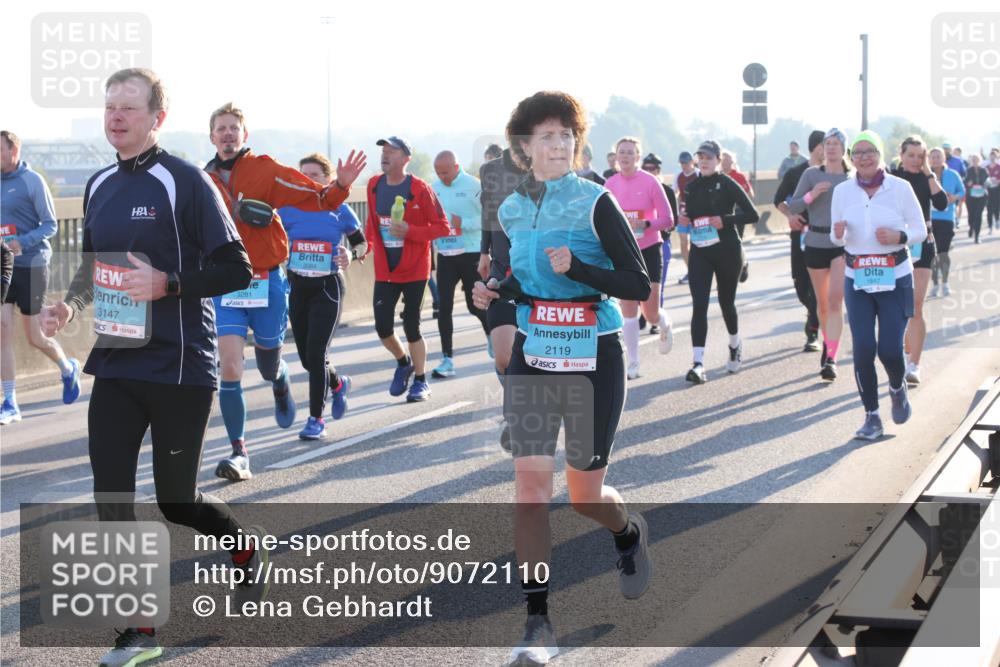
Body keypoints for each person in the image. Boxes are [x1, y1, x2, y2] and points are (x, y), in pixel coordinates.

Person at [38, 67, 267, 667]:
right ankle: (139, 629)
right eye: (109, 107)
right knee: (111, 492)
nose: (116, 117)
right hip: (117, 362)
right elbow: (95, 266)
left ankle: (242, 545)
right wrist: (71, 304)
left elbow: (236, 268)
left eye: (129, 108)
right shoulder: (99, 184)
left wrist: (168, 284)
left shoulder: (184, 181)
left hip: (181, 365)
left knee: (175, 502)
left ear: (157, 118)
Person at [472, 91, 652, 666]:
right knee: (529, 493)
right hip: (534, 353)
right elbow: (512, 279)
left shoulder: (596, 201)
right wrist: (492, 294)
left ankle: (626, 532)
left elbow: (636, 284)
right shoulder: (511, 210)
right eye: (545, 136)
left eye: (565, 135)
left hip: (593, 356)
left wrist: (579, 268)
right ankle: (537, 625)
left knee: (583, 496)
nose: (557, 144)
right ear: (524, 147)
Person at [204, 103, 367, 481]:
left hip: (267, 282)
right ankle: (239, 452)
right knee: (228, 365)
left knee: (265, 364)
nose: (227, 134)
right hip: (224, 285)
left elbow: (320, 198)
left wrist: (340, 185)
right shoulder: (202, 180)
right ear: (211, 136)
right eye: (220, 128)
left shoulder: (265, 170)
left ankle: (279, 378)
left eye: (234, 128)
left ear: (245, 135)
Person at [831, 130, 924, 440]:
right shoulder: (843, 191)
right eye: (858, 152)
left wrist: (899, 237)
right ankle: (872, 416)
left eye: (870, 151)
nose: (864, 157)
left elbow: (920, 229)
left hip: (895, 276)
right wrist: (839, 233)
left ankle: (897, 388)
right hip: (857, 277)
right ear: (850, 157)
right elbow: (835, 237)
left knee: (889, 351)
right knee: (863, 350)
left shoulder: (900, 187)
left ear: (880, 154)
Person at [280, 153, 368, 439]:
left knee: (317, 354)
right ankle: (338, 383)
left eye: (315, 175)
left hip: (327, 287)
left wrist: (350, 254)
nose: (308, 180)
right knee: (307, 359)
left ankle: (316, 419)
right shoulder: (288, 207)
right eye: (303, 175)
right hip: (298, 285)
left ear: (329, 179)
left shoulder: (340, 208)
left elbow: (362, 244)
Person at [0, 130, 81, 424]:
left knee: (35, 336)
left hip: (32, 264)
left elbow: (50, 225)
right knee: (3, 328)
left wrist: (23, 241)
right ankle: (9, 401)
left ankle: (67, 366)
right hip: (3, 267)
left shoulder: (32, 181)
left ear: (14, 150)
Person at [365, 136, 450, 402]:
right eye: (383, 150)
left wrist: (411, 231)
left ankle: (421, 381)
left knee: (412, 326)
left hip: (414, 270)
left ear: (406, 159)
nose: (385, 154)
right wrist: (364, 246)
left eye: (392, 150)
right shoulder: (374, 185)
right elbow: (372, 222)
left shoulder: (420, 189)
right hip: (385, 270)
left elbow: (442, 226)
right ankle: (403, 362)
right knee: (382, 327)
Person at [679, 141, 759, 383]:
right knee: (699, 305)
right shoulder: (691, 188)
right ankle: (698, 363)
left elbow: (752, 214)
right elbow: (688, 218)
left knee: (726, 303)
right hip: (701, 251)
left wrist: (725, 219)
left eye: (709, 157)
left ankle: (735, 344)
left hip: (727, 250)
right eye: (700, 157)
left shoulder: (727, 183)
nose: (704, 161)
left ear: (717, 160)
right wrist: (684, 219)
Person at [605, 137, 674, 379]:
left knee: (651, 313)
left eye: (630, 152)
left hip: (649, 250)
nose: (625, 156)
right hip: (625, 253)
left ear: (638, 157)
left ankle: (664, 323)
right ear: (615, 157)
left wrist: (645, 223)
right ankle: (633, 363)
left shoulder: (650, 182)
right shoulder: (609, 185)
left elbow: (668, 220)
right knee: (628, 309)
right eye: (621, 152)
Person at [787, 129, 851, 381]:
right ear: (822, 148)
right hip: (814, 241)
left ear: (844, 148)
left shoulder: (851, 178)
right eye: (828, 144)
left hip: (841, 245)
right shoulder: (811, 174)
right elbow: (793, 205)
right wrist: (811, 196)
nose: (832, 148)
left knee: (836, 301)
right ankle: (827, 346)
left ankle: (831, 357)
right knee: (822, 305)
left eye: (837, 143)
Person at [479, 145, 528, 452]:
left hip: (538, 277)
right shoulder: (491, 172)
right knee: (503, 355)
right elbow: (487, 213)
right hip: (501, 271)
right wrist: (484, 251)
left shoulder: (547, 167)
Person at [891, 136, 947, 386]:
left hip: (922, 243)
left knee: (915, 306)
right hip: (893, 244)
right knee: (897, 306)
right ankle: (903, 351)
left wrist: (927, 171)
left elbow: (942, 203)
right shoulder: (890, 177)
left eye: (919, 155)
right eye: (911, 155)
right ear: (901, 155)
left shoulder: (927, 178)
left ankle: (914, 364)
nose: (915, 160)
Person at [430, 150, 489, 378]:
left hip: (471, 252)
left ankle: (491, 336)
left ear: (456, 166)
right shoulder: (434, 188)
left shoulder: (474, 186)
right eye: (437, 172)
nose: (442, 177)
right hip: (446, 253)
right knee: (444, 307)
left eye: (445, 172)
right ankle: (447, 359)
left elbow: (488, 218)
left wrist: (462, 222)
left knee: (475, 305)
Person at [774, 130, 824, 353]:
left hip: (825, 237)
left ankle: (812, 331)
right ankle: (812, 311)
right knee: (801, 285)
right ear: (815, 147)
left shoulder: (835, 172)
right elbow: (778, 200)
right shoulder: (796, 173)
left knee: (818, 287)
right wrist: (790, 216)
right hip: (800, 234)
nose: (831, 150)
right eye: (826, 145)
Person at [640, 153, 679, 305]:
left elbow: (672, 221)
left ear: (658, 170)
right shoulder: (637, 189)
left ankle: (653, 320)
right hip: (639, 243)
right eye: (646, 168)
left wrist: (653, 225)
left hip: (662, 242)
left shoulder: (667, 191)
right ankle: (640, 317)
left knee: (657, 285)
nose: (649, 171)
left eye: (653, 168)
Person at [928, 147, 964, 298]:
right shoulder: (926, 176)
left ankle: (945, 283)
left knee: (943, 252)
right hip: (930, 219)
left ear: (944, 158)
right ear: (929, 159)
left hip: (947, 218)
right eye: (933, 157)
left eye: (938, 156)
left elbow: (962, 191)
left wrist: (954, 198)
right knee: (931, 254)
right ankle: (935, 284)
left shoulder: (952, 174)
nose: (935, 159)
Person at [721, 150, 754, 282]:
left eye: (728, 160)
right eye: (723, 160)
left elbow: (750, 194)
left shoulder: (738, 176)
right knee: (722, 245)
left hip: (738, 213)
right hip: (723, 215)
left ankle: (742, 263)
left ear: (732, 162)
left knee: (735, 242)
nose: (725, 162)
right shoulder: (717, 176)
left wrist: (749, 211)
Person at [674, 151, 699, 285]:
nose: (684, 166)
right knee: (684, 242)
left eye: (686, 163)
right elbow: (674, 194)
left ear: (692, 162)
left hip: (698, 214)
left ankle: (701, 270)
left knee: (698, 243)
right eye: (682, 163)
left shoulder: (699, 174)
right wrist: (676, 212)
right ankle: (690, 271)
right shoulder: (678, 176)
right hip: (684, 213)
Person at [964, 153, 989, 243]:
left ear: (980, 161)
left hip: (981, 196)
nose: (975, 161)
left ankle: (977, 236)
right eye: (973, 160)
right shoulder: (968, 170)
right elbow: (965, 181)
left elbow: (987, 181)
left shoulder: (984, 170)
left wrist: (984, 185)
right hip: (971, 196)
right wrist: (968, 183)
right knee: (971, 215)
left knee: (978, 215)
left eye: (976, 159)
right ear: (971, 161)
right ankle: (971, 227)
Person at [944, 143, 967, 226]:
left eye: (947, 149)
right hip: (945, 187)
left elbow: (964, 173)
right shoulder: (940, 160)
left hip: (956, 185)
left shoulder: (958, 160)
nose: (945, 150)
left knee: (958, 204)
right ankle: (952, 219)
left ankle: (957, 219)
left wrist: (958, 179)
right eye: (944, 148)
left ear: (950, 150)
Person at [986, 149, 1000, 232]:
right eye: (991, 156)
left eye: (994, 156)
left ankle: (997, 219)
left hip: (997, 189)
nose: (992, 158)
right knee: (989, 208)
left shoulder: (999, 167)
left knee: (996, 206)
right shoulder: (986, 168)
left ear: (997, 157)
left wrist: (997, 181)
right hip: (988, 190)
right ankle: (990, 226)